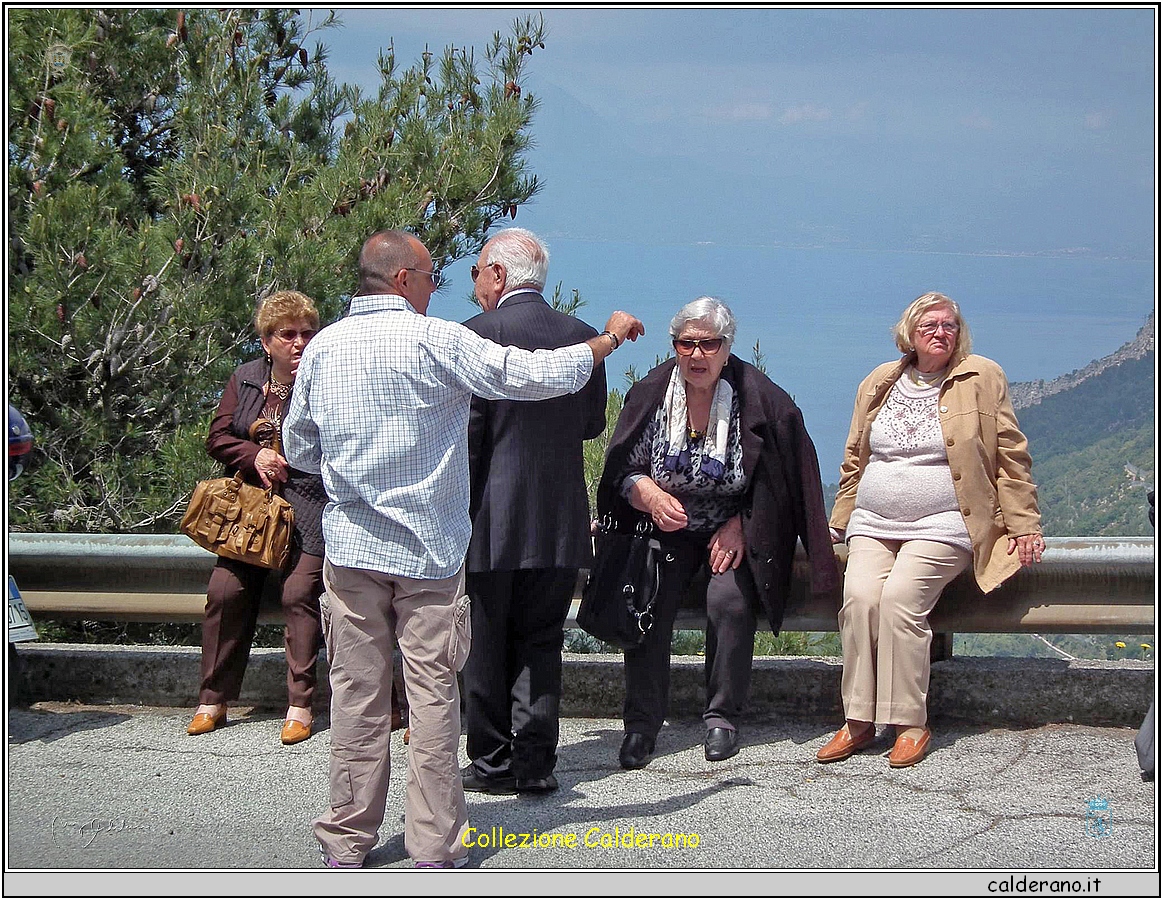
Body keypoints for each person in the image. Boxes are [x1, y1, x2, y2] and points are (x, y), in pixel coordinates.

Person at [282, 229, 643, 869]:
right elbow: (530, 376)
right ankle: (433, 845)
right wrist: (606, 341)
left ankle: (346, 841)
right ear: (401, 280)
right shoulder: (438, 340)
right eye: (427, 276)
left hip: (354, 553)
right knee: (432, 702)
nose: (435, 287)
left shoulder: (322, 349)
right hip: (428, 554)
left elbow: (301, 448)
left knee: (357, 698)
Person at [595, 297, 837, 770]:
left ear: (727, 348)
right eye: (687, 344)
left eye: (709, 344)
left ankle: (722, 717)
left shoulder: (759, 399)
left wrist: (742, 525)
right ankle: (642, 724)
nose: (697, 355)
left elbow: (781, 484)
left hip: (730, 529)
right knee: (649, 598)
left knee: (728, 600)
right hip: (663, 528)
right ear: (675, 346)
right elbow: (623, 468)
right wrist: (645, 491)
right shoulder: (651, 394)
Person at [821, 291, 1044, 769]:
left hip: (945, 522)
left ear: (960, 333)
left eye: (949, 325)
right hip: (874, 520)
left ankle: (909, 724)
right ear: (910, 334)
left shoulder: (982, 376)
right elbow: (855, 458)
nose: (940, 333)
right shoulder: (880, 381)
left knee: (901, 600)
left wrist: (1024, 523)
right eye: (930, 326)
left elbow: (1011, 455)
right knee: (860, 600)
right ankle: (858, 721)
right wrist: (839, 522)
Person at [460, 228, 608, 796]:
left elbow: (469, 437)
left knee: (487, 642)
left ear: (498, 274)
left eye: (476, 273)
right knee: (542, 642)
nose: (474, 285)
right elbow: (592, 424)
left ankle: (491, 762)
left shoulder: (474, 337)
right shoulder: (582, 339)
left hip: (488, 520)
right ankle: (536, 762)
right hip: (560, 519)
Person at [186, 290, 327, 746]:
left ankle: (300, 705)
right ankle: (213, 700)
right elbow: (218, 437)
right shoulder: (246, 379)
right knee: (225, 591)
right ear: (267, 341)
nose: (299, 342)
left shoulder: (328, 377)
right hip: (252, 514)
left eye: (307, 332)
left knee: (298, 593)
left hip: (309, 508)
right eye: (288, 334)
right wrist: (254, 454)